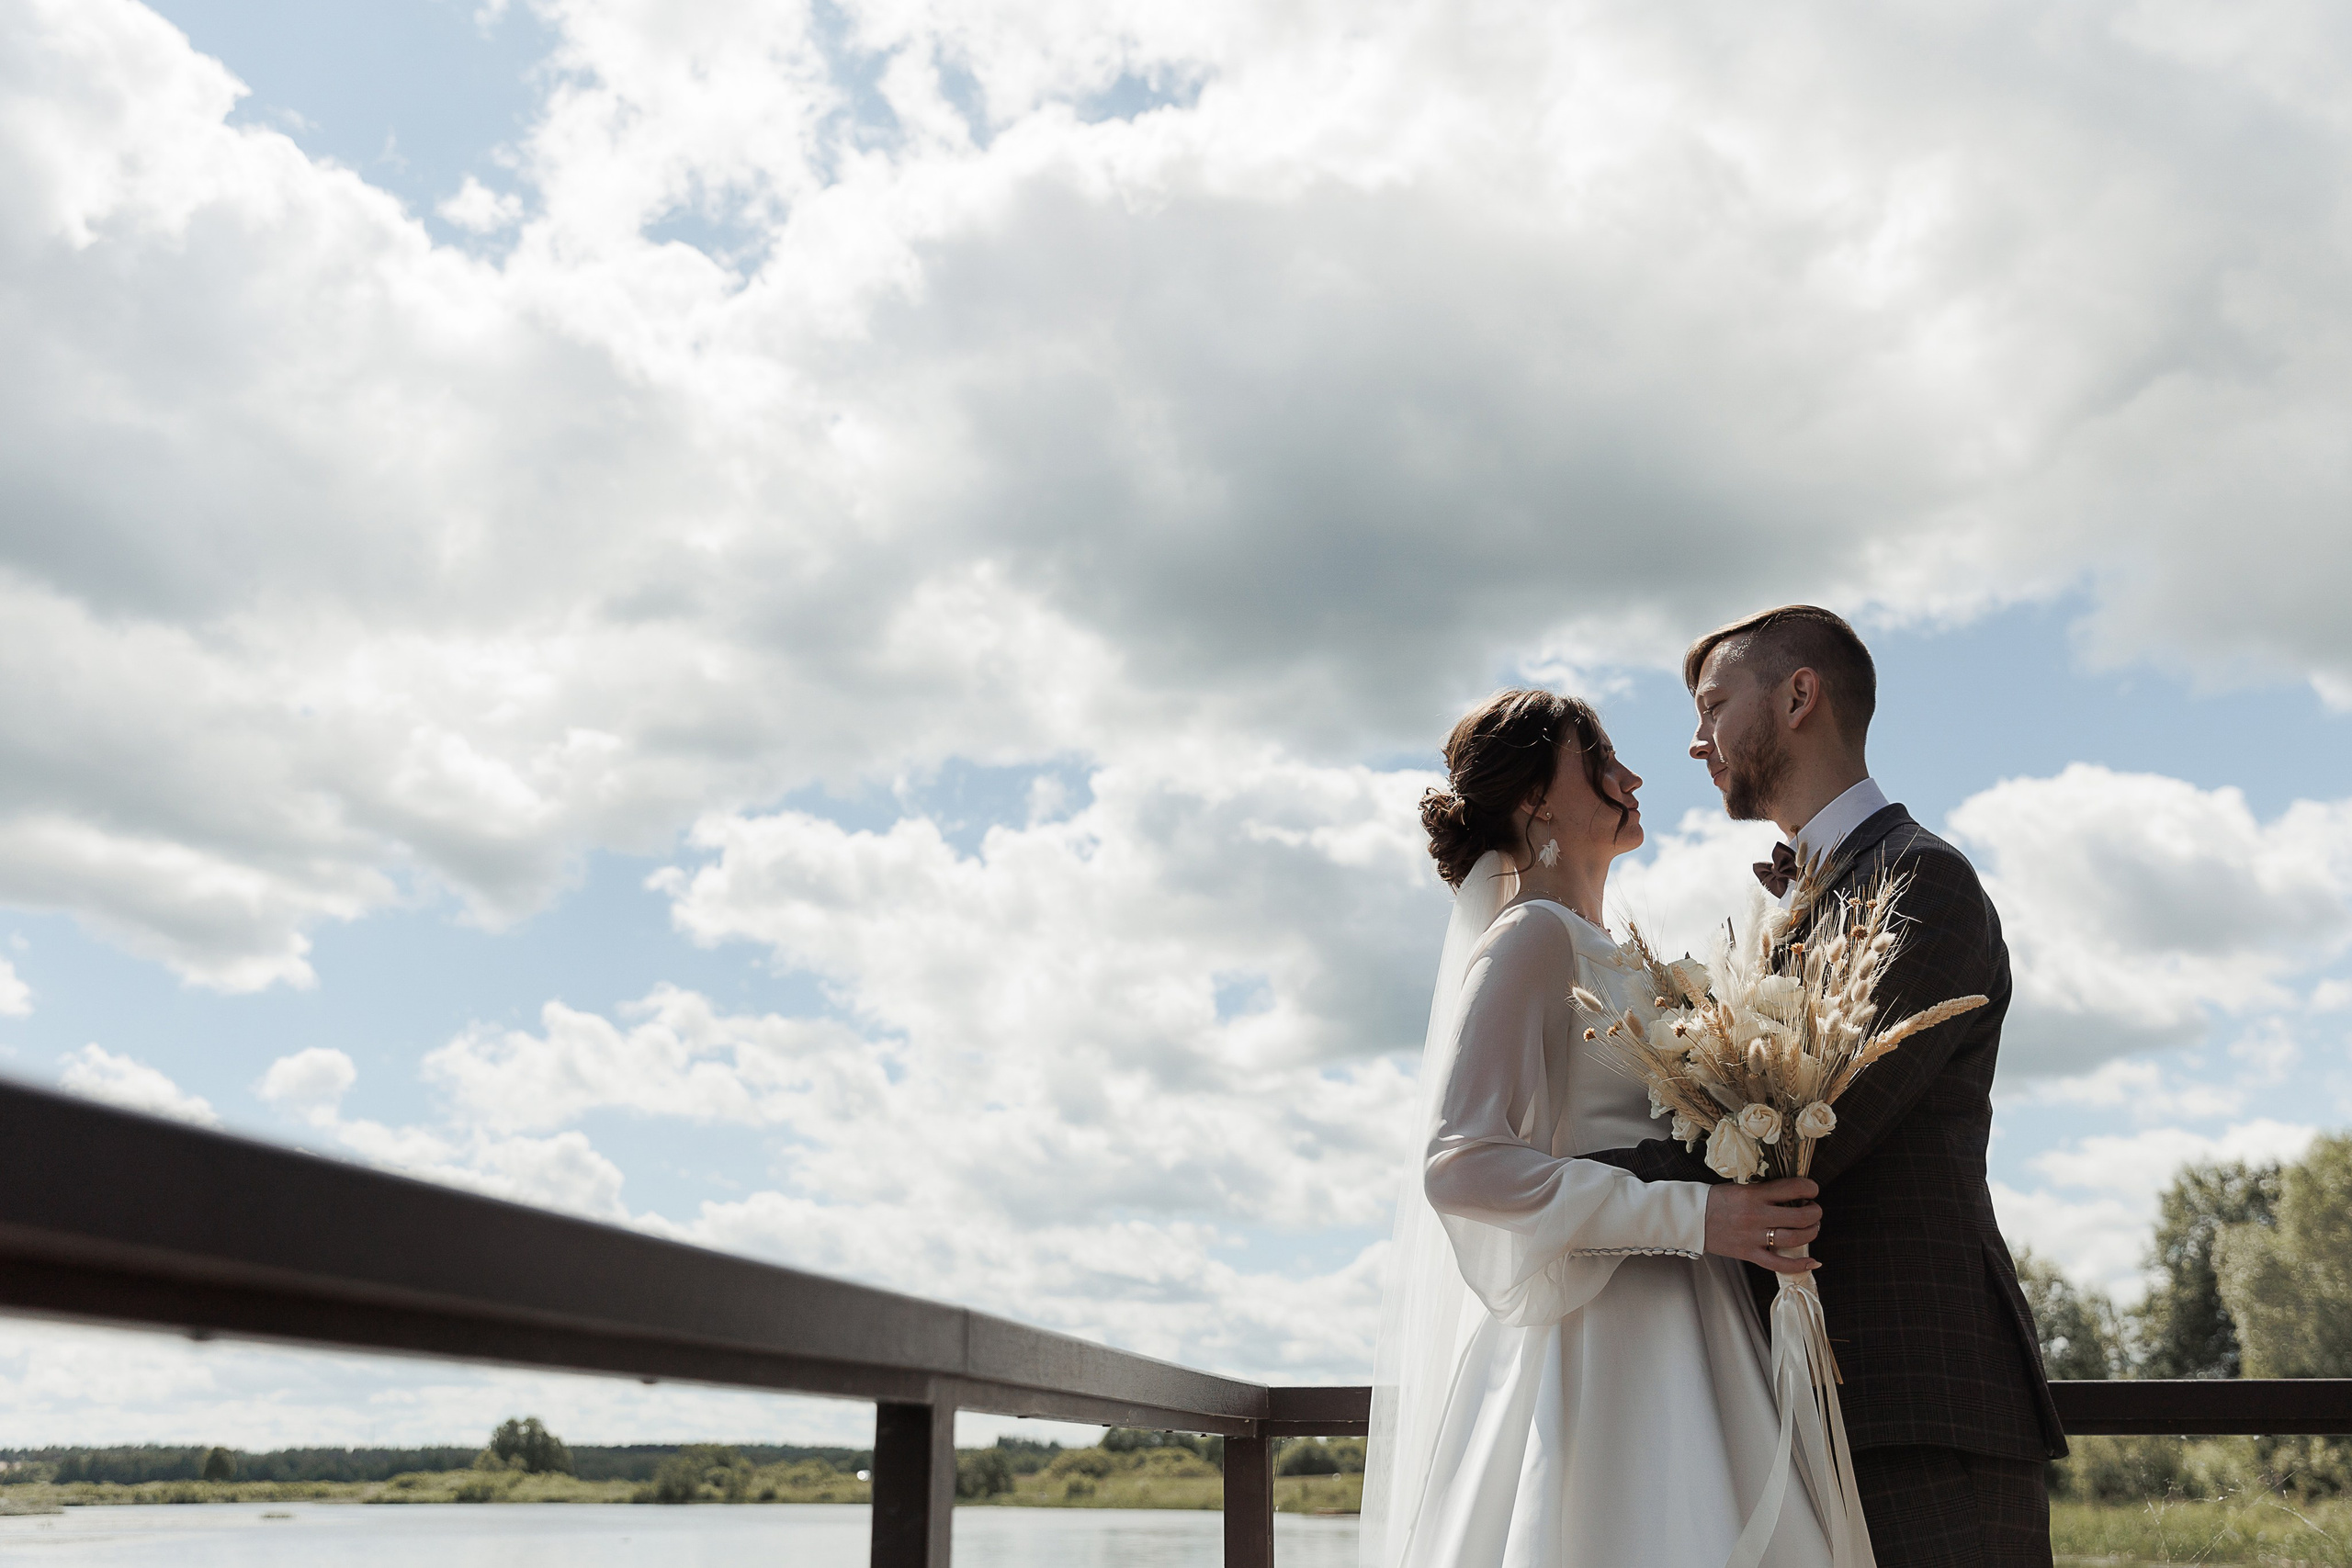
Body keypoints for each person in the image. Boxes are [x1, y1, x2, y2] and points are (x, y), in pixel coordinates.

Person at [1586, 605, 2068, 1567]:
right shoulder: (1809, 899)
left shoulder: (1919, 880)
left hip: (1917, 1402)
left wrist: (1556, 1187)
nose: (1694, 741)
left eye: (1713, 705)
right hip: (1803, 1396)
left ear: (1799, 696)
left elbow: (1808, 1136)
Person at [1362, 688, 1836, 1568]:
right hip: (1599, 1345)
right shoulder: (1529, 939)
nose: (1632, 776)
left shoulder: (1622, 958)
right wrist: (1693, 1217)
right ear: (1538, 799)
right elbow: (1460, 1164)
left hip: (1699, 1322)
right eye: (1599, 759)